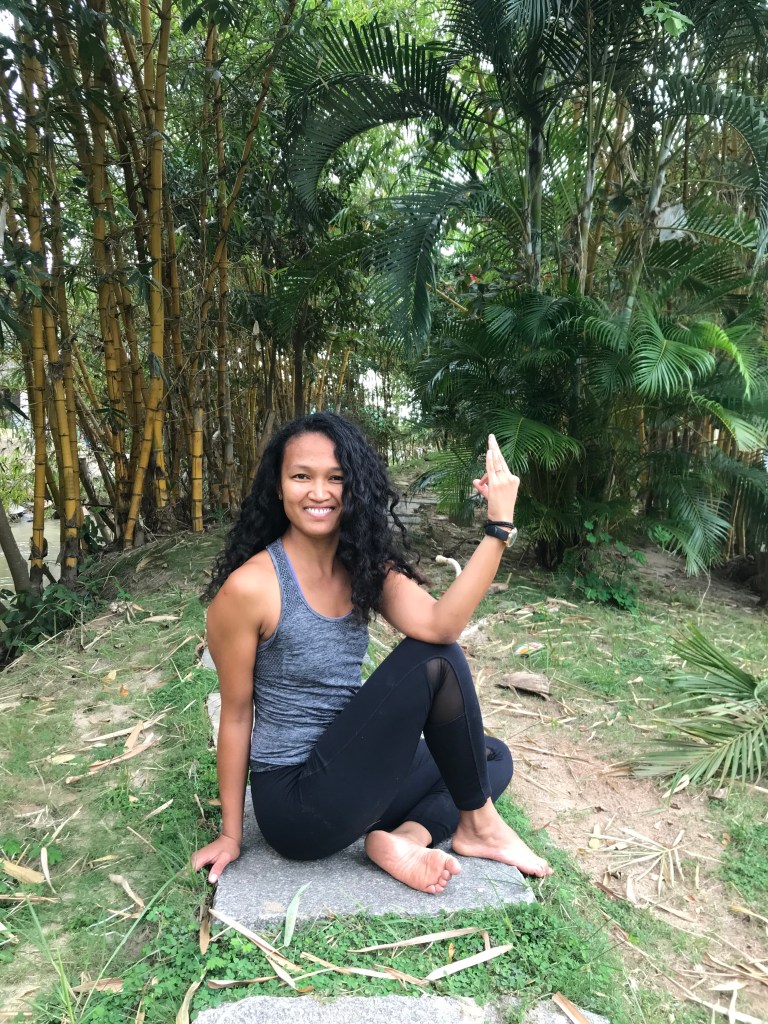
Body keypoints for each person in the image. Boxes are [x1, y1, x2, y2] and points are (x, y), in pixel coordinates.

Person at [192, 413, 552, 895]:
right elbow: (236, 715)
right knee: (436, 662)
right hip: (298, 805)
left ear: (354, 486)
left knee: (488, 757)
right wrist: (231, 835)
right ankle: (480, 825)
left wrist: (498, 527)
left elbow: (441, 623)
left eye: (335, 477)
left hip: (353, 772)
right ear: (277, 486)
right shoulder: (251, 588)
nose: (319, 492)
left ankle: (406, 838)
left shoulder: (361, 566)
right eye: (301, 476)